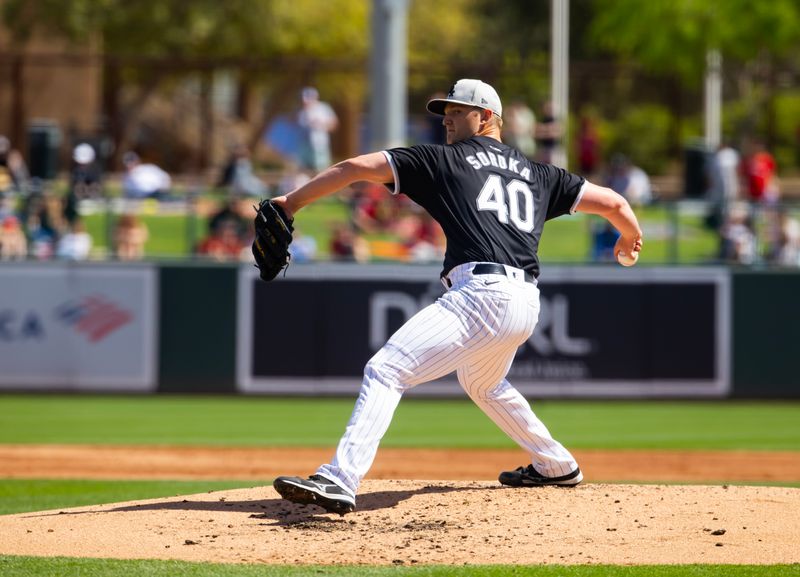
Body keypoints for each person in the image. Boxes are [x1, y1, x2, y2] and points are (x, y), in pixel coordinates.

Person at [271, 79, 643, 515]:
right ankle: (555, 463)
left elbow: (354, 167)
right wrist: (630, 239)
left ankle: (340, 478)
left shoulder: (442, 160)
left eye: (457, 111)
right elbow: (615, 203)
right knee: (482, 382)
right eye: (444, 112)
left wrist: (289, 203)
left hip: (482, 294)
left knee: (386, 368)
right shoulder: (542, 173)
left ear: (487, 117)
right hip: (524, 302)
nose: (446, 118)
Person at [297, 87, 338, 172]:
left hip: (319, 144)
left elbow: (334, 124)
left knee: (321, 168)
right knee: (305, 169)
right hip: (304, 145)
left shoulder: (323, 108)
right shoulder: (302, 111)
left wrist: (321, 125)